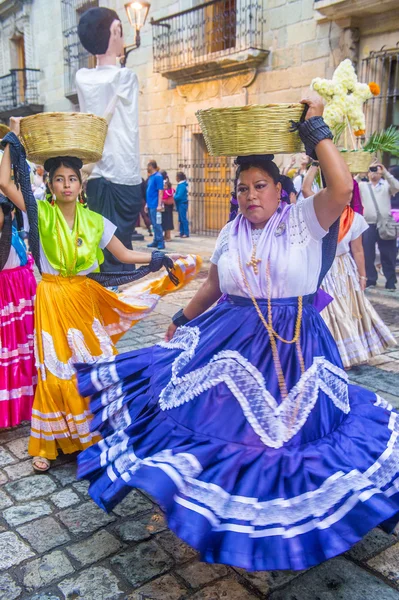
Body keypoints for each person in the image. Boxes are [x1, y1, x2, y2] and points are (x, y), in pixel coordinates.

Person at [75, 94, 399, 572]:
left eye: (260, 186)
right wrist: (182, 319)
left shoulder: (304, 221)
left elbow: (342, 187)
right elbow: (212, 285)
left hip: (297, 347)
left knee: (293, 443)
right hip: (230, 341)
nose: (250, 195)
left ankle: (285, 526)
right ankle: (225, 514)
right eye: (243, 187)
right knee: (221, 429)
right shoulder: (229, 233)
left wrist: (316, 132)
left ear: (279, 191)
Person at [0, 118, 200, 472]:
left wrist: (157, 257)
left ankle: (89, 435)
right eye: (59, 178)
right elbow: (3, 181)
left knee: (93, 364)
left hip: (83, 297)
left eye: (72, 179)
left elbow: (123, 254)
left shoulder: (94, 221)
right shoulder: (39, 213)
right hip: (51, 296)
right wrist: (13, 138)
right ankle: (46, 445)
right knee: (54, 370)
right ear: (49, 183)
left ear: (81, 184)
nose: (66, 184)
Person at [303, 165, 396, 368]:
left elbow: (359, 251)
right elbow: (305, 189)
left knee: (345, 310)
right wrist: (315, 164)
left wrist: (363, 277)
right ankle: (334, 352)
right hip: (324, 266)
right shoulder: (319, 210)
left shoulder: (354, 219)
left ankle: (346, 352)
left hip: (343, 270)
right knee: (329, 310)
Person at [75, 7, 142, 273]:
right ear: (111, 34)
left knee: (100, 245)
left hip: (94, 170)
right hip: (122, 170)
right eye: (119, 31)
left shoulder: (82, 77)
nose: (122, 38)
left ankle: (102, 300)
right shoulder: (125, 75)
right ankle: (115, 302)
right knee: (119, 244)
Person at [0, 194, 36, 428]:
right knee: (9, 350)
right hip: (7, 298)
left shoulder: (12, 232)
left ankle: (27, 401)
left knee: (25, 349)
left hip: (22, 296)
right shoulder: (5, 236)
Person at [357, 163, 399, 290]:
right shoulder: (362, 186)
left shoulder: (386, 185)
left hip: (385, 223)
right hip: (368, 224)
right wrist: (360, 173)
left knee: (388, 253)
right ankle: (371, 279)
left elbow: (396, 187)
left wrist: (385, 172)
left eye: (376, 170)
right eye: (371, 170)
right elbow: (350, 187)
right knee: (368, 254)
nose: (373, 172)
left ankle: (391, 281)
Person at [146, 161, 165, 250]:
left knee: (157, 224)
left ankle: (161, 241)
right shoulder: (151, 177)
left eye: (148, 166)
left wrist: (159, 205)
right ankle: (156, 240)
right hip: (150, 203)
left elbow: (160, 191)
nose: (147, 168)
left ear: (151, 166)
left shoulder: (158, 176)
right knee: (153, 224)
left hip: (155, 204)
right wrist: (146, 204)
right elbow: (149, 191)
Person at [161, 171, 175, 242]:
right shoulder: (167, 182)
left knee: (167, 221)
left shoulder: (164, 183)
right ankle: (166, 235)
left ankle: (168, 236)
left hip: (166, 204)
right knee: (166, 220)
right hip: (168, 205)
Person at [174, 171, 189, 238]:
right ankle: (181, 232)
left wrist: (173, 197)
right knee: (180, 219)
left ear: (178, 178)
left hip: (182, 204)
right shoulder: (181, 185)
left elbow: (179, 196)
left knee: (183, 218)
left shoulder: (182, 185)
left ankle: (186, 232)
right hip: (180, 204)